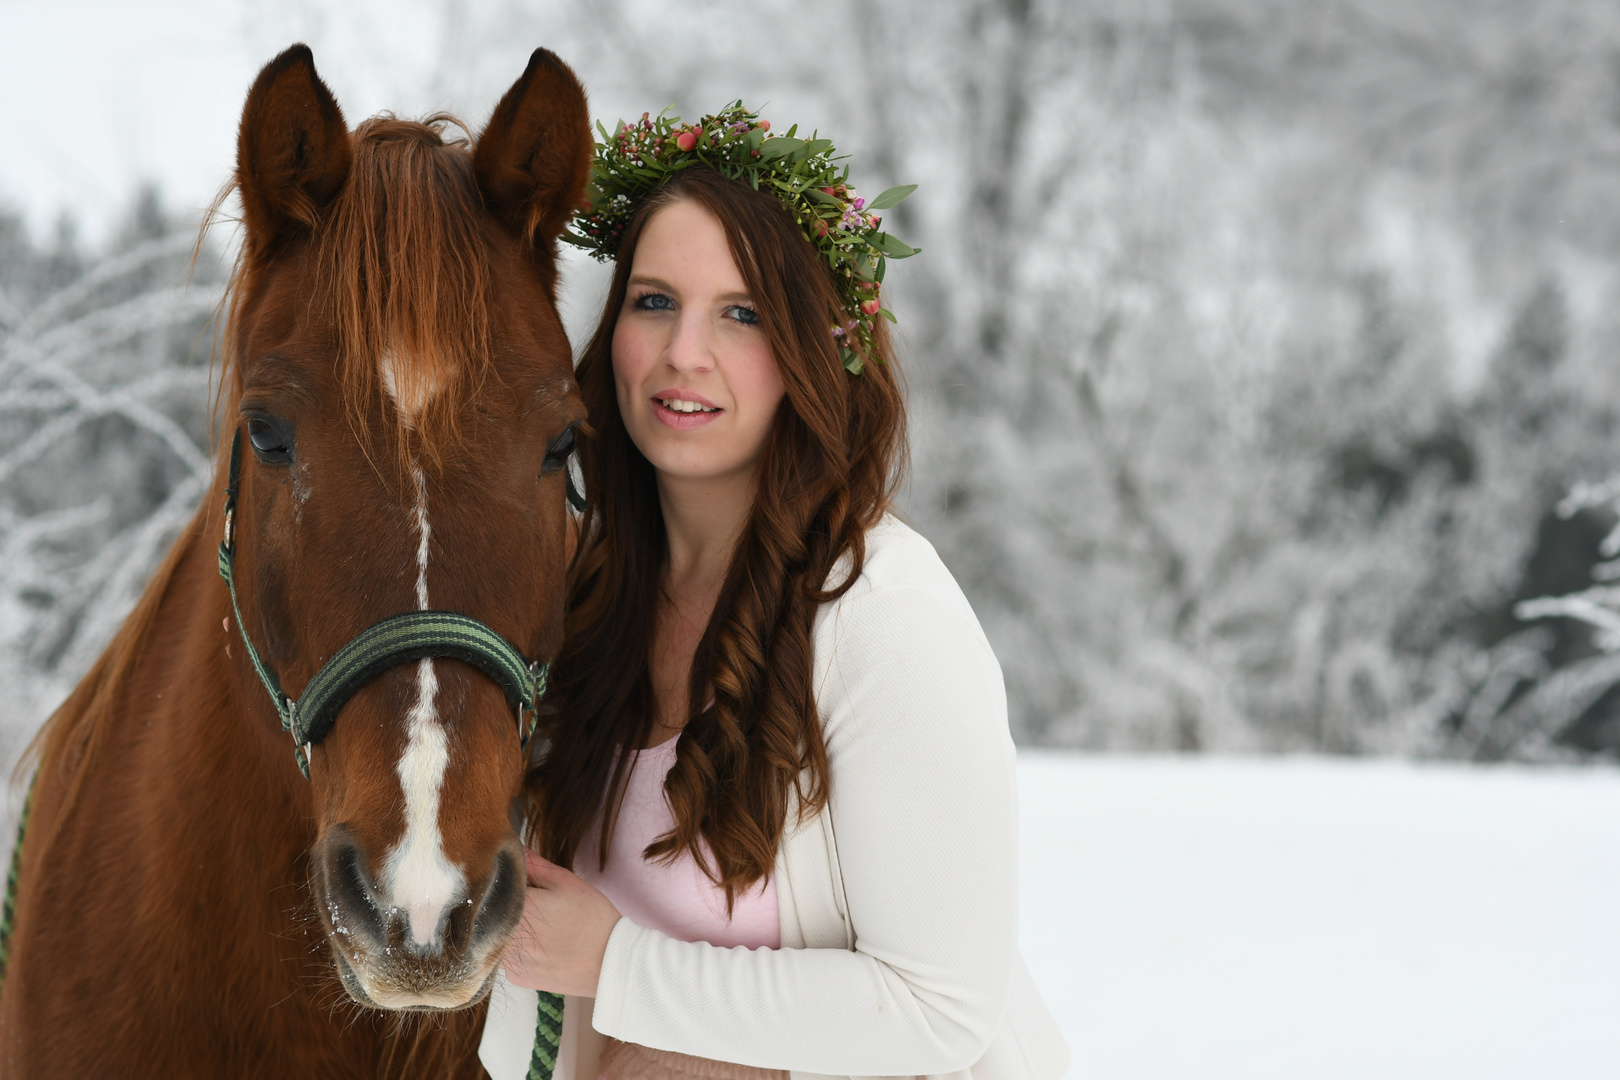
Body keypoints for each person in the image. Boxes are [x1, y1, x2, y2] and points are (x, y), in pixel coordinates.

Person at [480, 105, 1069, 1080]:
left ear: (809, 351)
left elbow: (937, 1011)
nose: (684, 353)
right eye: (654, 301)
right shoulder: (586, 603)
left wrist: (619, 966)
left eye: (740, 314)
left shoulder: (883, 616)